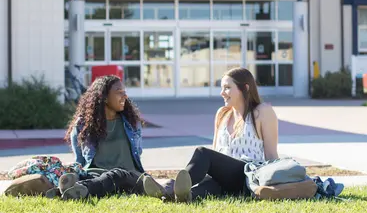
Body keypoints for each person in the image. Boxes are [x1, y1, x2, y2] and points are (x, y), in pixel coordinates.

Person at [143, 67, 279, 202]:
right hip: (224, 179)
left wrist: (278, 184)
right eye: (221, 88)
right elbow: (216, 152)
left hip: (247, 177)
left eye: (227, 87)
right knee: (200, 189)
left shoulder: (262, 112)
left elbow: (271, 156)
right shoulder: (223, 114)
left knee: (203, 152)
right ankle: (173, 196)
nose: (222, 93)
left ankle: (170, 187)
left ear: (245, 88)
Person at [47, 75, 171, 200]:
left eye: (124, 92)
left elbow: (137, 153)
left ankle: (72, 190)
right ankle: (72, 189)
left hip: (129, 176)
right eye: (119, 92)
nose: (125, 96)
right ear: (104, 97)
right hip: (94, 175)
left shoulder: (131, 123)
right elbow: (80, 161)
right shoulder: (83, 125)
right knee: (85, 175)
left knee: (117, 174)